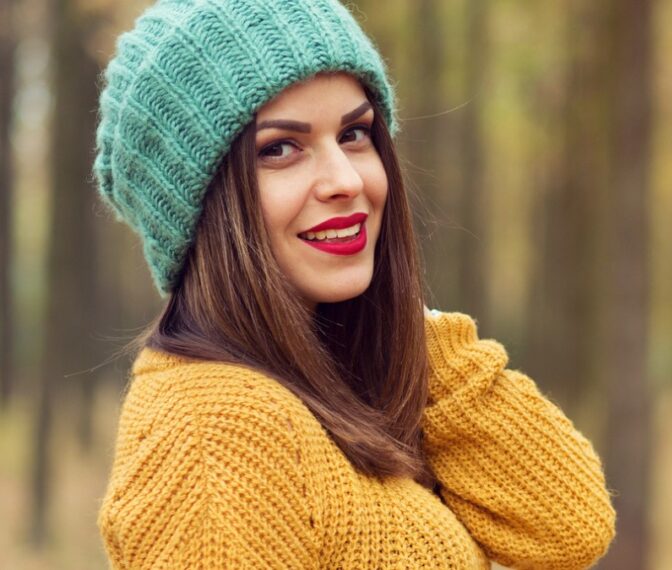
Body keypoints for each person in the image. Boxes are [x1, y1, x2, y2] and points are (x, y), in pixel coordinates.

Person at [93, 0, 617, 568]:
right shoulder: (216, 432)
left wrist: (412, 336)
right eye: (279, 149)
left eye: (354, 135)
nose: (345, 180)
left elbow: (569, 526)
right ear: (201, 207)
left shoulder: (333, 381)